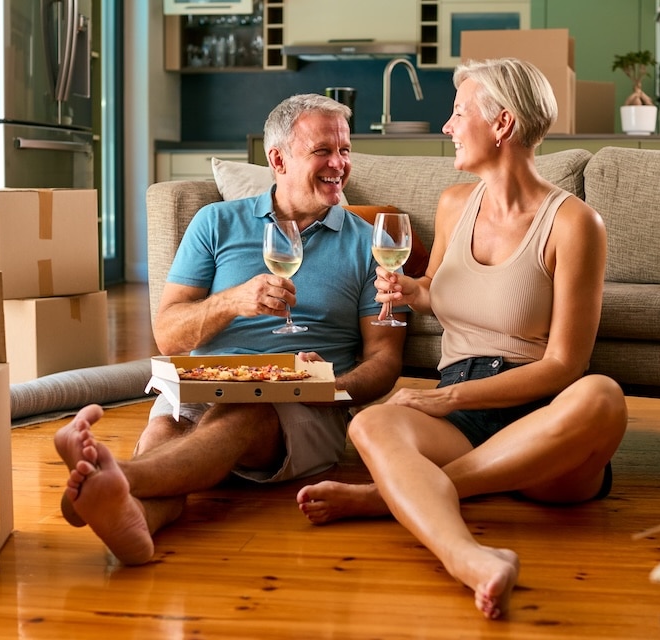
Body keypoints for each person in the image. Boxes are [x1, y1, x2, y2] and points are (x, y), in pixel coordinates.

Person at [296, 58, 629, 620]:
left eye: (458, 112)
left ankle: (395, 496)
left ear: (502, 124)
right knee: (371, 421)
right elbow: (436, 292)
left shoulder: (574, 225)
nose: (447, 126)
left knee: (602, 397)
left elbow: (565, 365)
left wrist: (446, 397)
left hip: (541, 423)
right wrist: (410, 290)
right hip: (460, 422)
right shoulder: (454, 204)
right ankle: (469, 558)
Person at [54, 93, 406, 566]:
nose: (339, 164)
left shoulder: (369, 244)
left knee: (244, 411)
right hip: (204, 381)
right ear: (277, 158)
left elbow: (386, 358)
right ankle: (134, 520)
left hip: (299, 405)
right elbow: (169, 335)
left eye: (344, 150)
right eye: (323, 150)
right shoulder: (215, 223)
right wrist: (232, 302)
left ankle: (115, 474)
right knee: (169, 434)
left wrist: (330, 387)